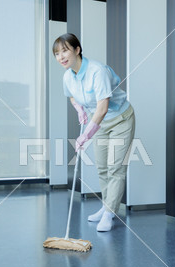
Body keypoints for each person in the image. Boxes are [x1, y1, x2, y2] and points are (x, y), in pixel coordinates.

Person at [53, 33, 135, 232]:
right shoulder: (67, 76)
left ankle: (109, 213)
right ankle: (108, 207)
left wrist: (85, 135)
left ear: (77, 50)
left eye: (65, 50)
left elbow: (102, 108)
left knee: (115, 169)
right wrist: (79, 108)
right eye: (57, 53)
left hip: (120, 120)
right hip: (99, 123)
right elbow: (72, 96)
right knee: (101, 168)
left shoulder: (97, 71)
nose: (61, 57)